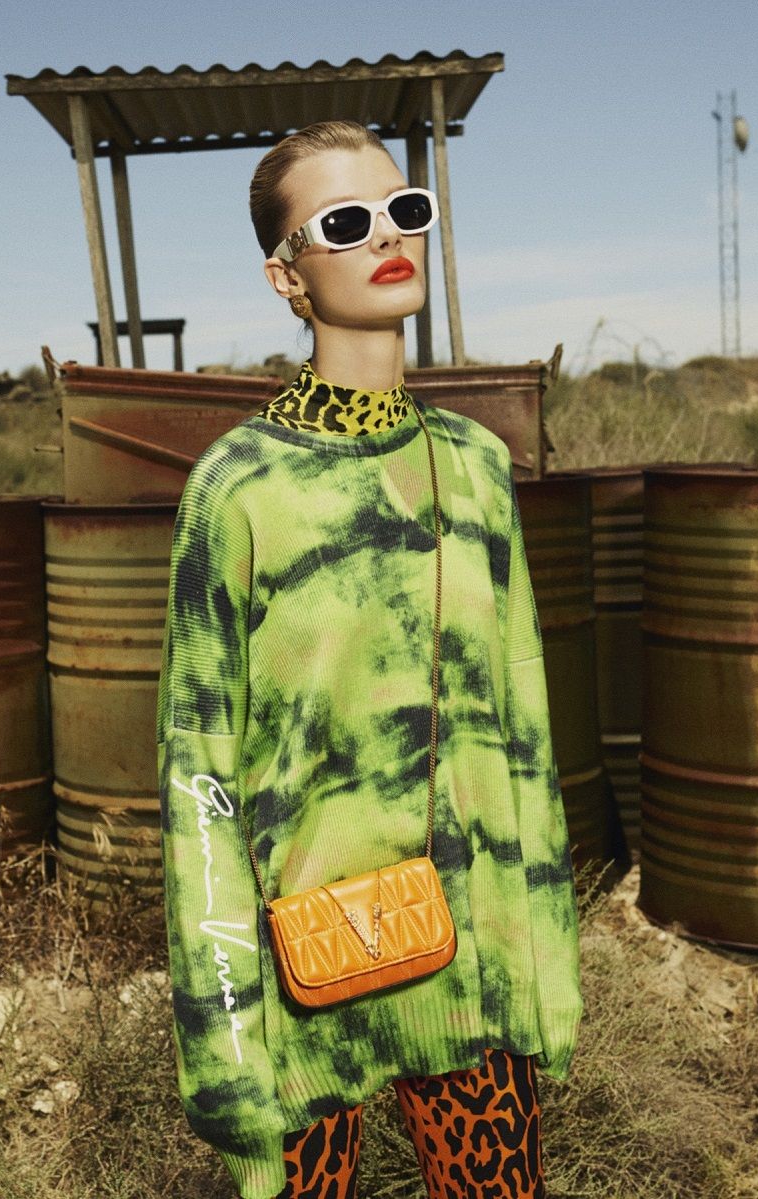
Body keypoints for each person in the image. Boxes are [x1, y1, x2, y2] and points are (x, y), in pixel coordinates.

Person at [156, 119, 583, 1199]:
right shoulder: (239, 487)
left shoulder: (475, 465)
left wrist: (546, 950)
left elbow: (522, 723)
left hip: (471, 964)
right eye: (345, 222)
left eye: (406, 209)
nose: (388, 236)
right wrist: (222, 1031)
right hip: (302, 976)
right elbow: (198, 769)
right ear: (286, 277)